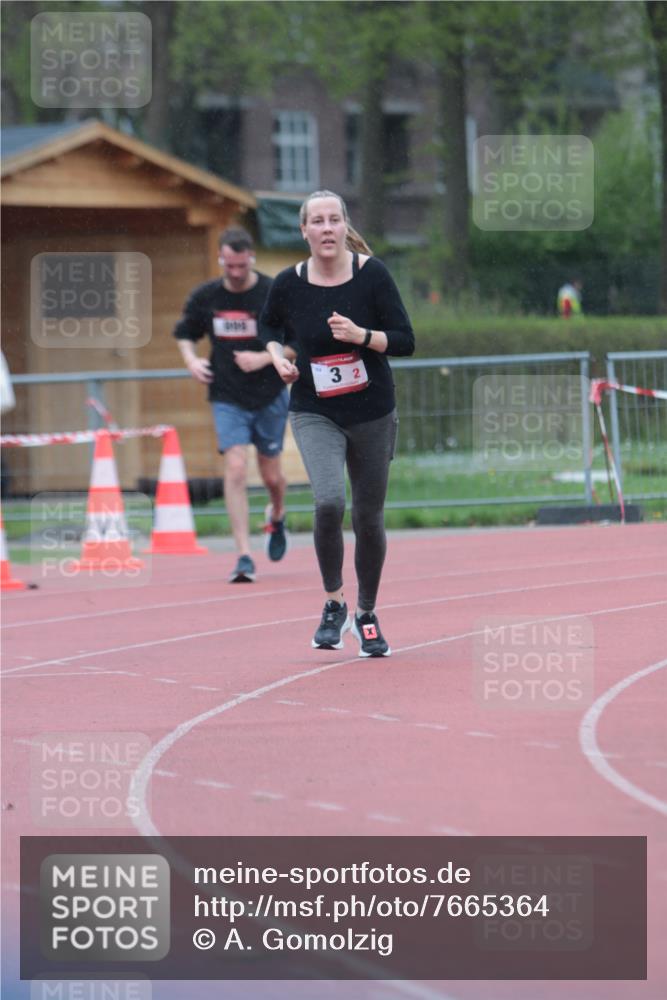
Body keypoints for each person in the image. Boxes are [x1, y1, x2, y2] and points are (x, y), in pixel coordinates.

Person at [260, 190, 415, 657]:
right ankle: (333, 602)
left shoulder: (373, 276)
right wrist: (276, 359)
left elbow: (406, 341)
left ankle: (365, 613)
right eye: (317, 221)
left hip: (372, 410)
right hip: (315, 409)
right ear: (304, 230)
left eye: (334, 220)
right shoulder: (288, 283)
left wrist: (361, 336)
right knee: (329, 501)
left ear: (345, 227)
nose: (326, 229)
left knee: (368, 517)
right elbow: (268, 330)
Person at [174, 227, 296, 582]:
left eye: (242, 266)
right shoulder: (207, 296)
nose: (237, 273)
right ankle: (243, 554)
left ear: (251, 260)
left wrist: (263, 359)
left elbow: (297, 343)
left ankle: (277, 515)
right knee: (237, 469)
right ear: (221, 261)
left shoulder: (272, 292)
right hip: (227, 396)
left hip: (269, 394)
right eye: (230, 266)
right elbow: (184, 333)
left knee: (272, 476)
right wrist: (191, 361)